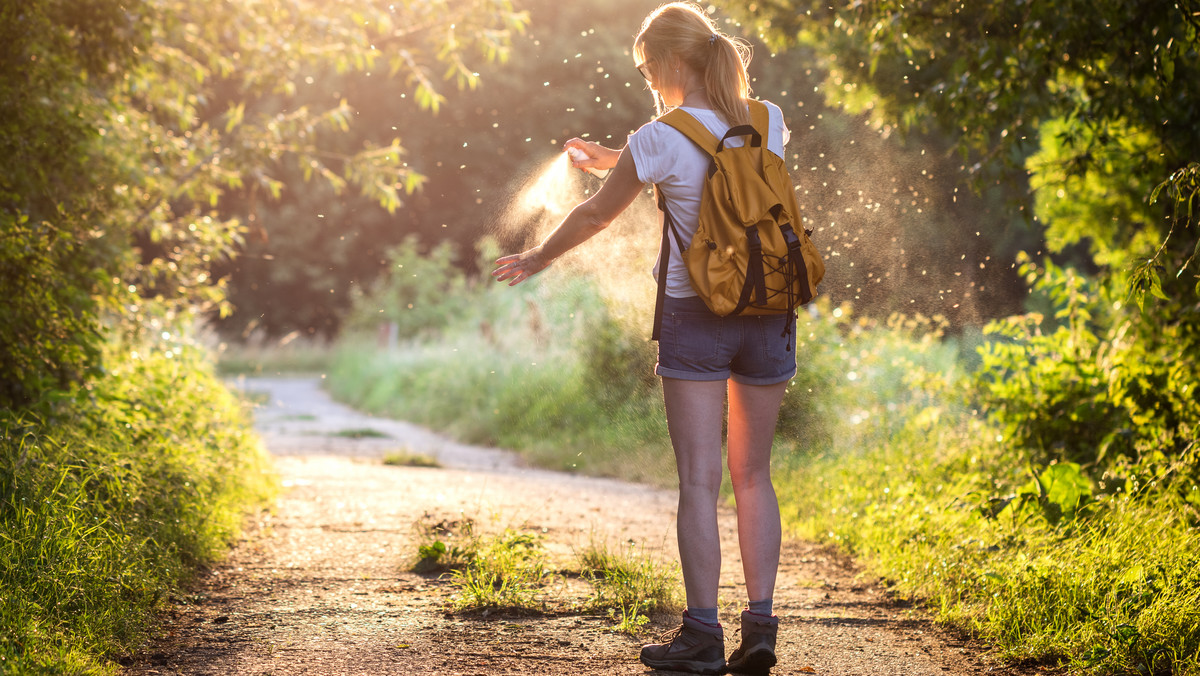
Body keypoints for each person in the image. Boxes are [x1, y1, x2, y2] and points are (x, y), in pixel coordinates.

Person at [492, 3, 792, 674]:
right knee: (753, 476)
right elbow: (713, 161)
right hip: (770, 310)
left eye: (648, 67)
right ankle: (763, 625)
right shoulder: (769, 120)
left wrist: (537, 257)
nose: (648, 80)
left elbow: (599, 213)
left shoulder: (656, 136)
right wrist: (618, 156)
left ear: (673, 63)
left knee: (698, 480)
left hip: (698, 315)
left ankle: (703, 637)